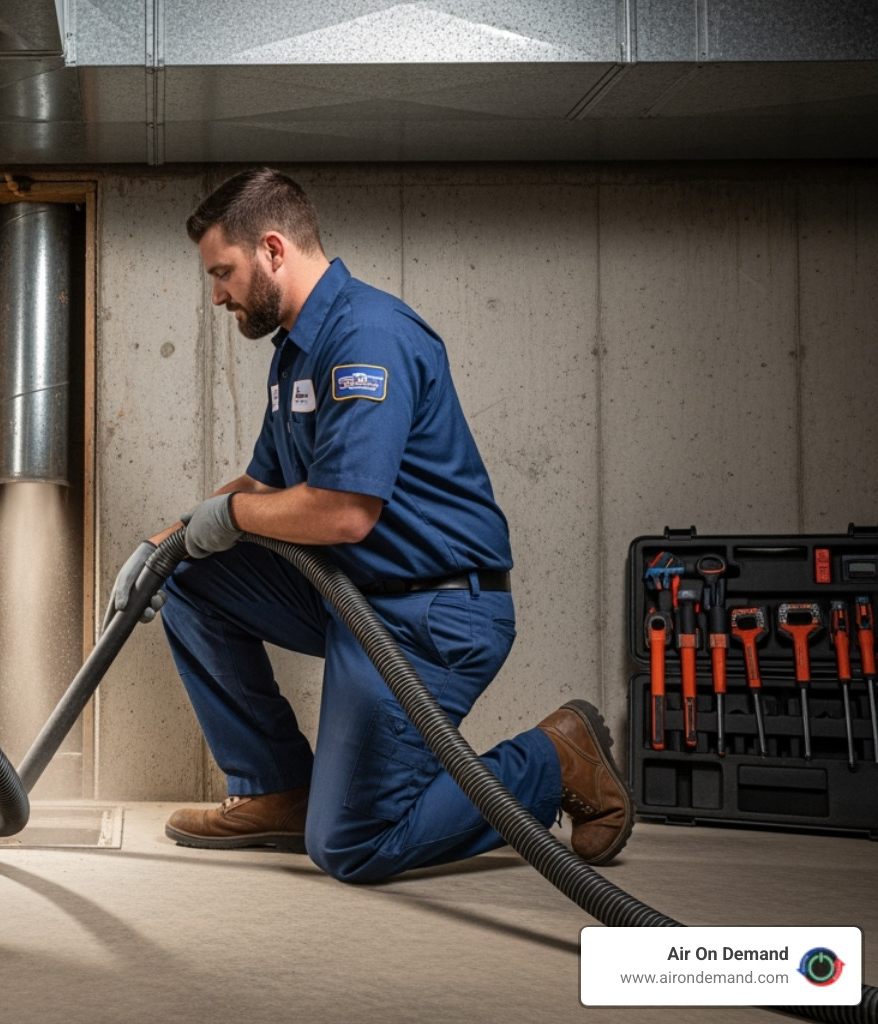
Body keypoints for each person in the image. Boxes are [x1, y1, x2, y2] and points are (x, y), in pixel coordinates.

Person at [108, 168, 633, 883]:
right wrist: (162, 543)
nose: (217, 295)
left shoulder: (368, 337)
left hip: (434, 612)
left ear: (272, 249)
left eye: (223, 272)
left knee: (353, 845)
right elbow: (265, 483)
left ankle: (556, 757)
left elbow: (344, 512)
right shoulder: (297, 349)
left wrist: (225, 516)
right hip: (358, 594)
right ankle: (275, 787)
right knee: (193, 576)